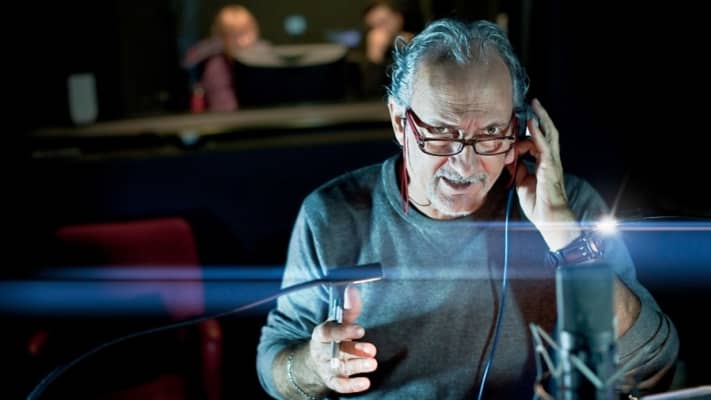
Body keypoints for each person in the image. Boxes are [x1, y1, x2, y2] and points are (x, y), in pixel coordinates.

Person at [257, 19, 678, 399]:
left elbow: (653, 368)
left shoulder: (570, 208)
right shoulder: (332, 214)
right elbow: (275, 361)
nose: (466, 164)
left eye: (491, 133)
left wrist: (564, 236)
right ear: (400, 122)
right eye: (441, 133)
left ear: (522, 131)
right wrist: (314, 365)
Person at [183, 5, 267, 112]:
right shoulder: (217, 66)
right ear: (221, 37)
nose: (242, 41)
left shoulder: (265, 59)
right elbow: (224, 108)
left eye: (245, 32)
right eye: (233, 35)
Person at [360, 0, 421, 98]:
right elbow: (371, 92)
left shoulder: (420, 40)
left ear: (398, 18)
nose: (380, 30)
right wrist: (375, 56)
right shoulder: (364, 52)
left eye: (383, 22)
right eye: (374, 26)